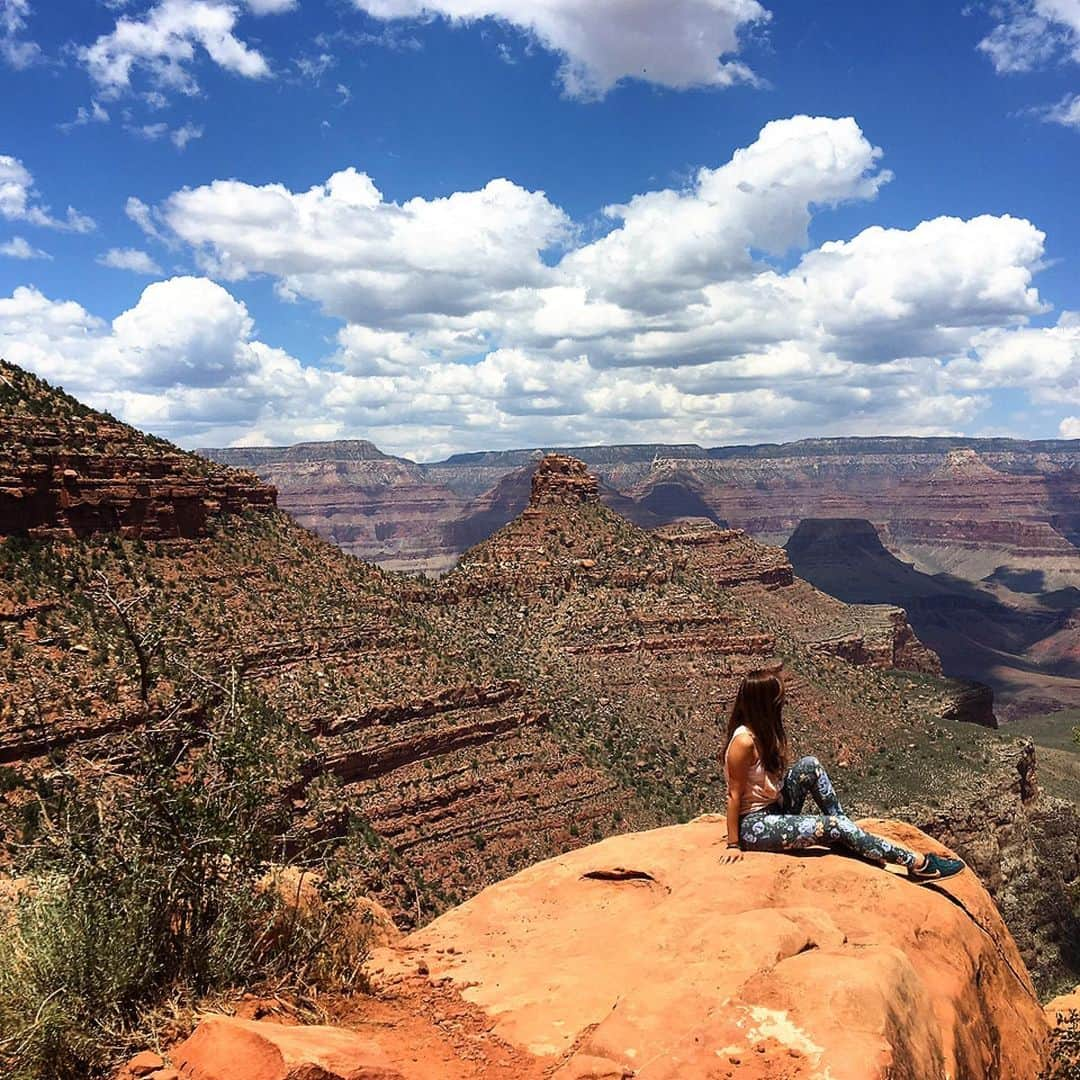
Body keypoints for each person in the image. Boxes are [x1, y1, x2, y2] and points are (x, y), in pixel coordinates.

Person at [718, 669, 965, 881]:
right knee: (832, 826)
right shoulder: (743, 742)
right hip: (756, 826)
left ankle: (848, 836)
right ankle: (918, 864)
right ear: (764, 704)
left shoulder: (761, 731)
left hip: (775, 808)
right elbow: (733, 795)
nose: (782, 703)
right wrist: (733, 843)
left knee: (810, 765)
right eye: (777, 699)